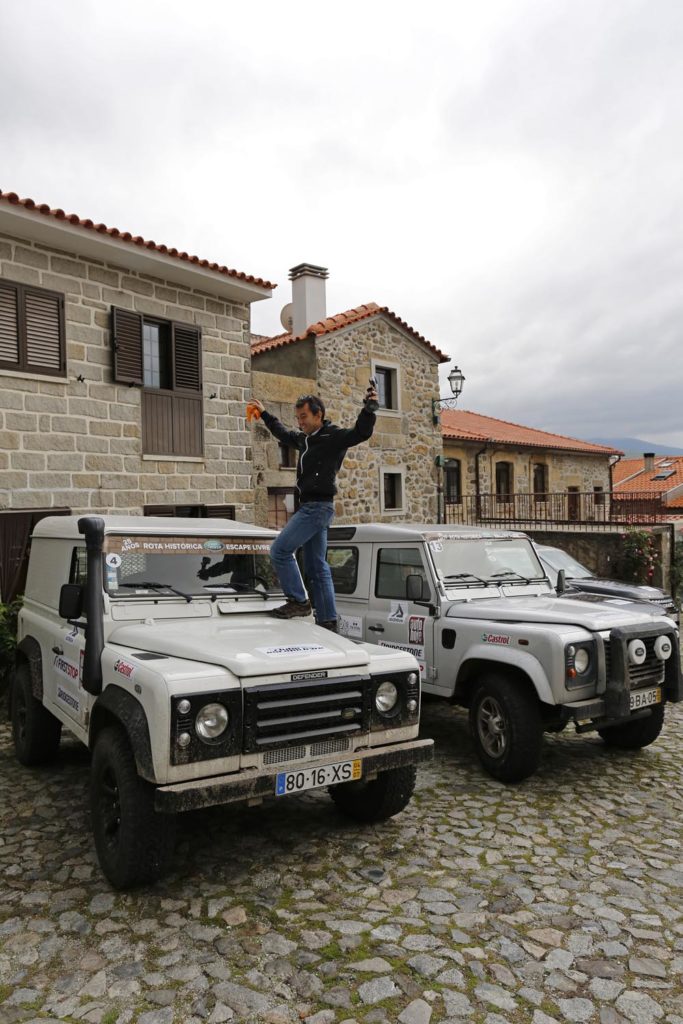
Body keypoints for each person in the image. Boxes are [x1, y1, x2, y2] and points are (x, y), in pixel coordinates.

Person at [250, 386, 378, 629]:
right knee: (317, 566)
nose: (300, 423)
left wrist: (369, 410)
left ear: (318, 415)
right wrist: (265, 414)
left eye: (304, 417)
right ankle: (328, 619)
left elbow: (360, 433)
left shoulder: (333, 436)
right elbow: (283, 434)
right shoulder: (304, 439)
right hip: (311, 507)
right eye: (298, 418)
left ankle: (299, 600)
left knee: (279, 550)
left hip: (317, 507)